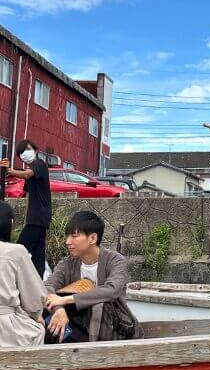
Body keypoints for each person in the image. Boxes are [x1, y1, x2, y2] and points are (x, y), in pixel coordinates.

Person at [44, 210, 141, 343]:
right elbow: (47, 287)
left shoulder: (115, 260)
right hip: (80, 325)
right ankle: (59, 349)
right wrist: (59, 309)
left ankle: (94, 352)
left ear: (93, 238)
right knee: (44, 308)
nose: (68, 242)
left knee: (100, 306)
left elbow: (112, 290)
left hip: (116, 328)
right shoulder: (67, 264)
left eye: (74, 236)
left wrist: (67, 299)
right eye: (67, 236)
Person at [0, 140, 51, 276]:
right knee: (38, 254)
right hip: (36, 218)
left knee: (19, 248)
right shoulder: (30, 170)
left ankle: (8, 276)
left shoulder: (39, 164)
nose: (25, 153)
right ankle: (38, 281)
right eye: (22, 152)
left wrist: (9, 170)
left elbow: (28, 174)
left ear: (35, 150)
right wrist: (27, 219)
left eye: (28, 149)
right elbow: (29, 196)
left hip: (39, 216)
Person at [0, 241, 46, 347]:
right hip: (7, 329)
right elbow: (35, 298)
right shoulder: (14, 251)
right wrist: (36, 315)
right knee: (36, 332)